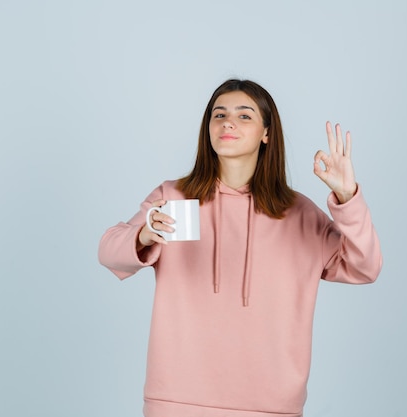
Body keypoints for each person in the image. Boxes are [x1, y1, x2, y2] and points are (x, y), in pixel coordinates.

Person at [98, 79, 382, 417]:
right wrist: (143, 236)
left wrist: (348, 199)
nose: (227, 122)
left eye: (244, 115)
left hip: (272, 405)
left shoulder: (299, 213)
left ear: (267, 133)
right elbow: (108, 252)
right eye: (218, 115)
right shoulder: (175, 199)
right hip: (176, 400)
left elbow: (365, 266)